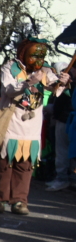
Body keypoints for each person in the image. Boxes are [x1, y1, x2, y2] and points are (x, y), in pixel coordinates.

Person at [0, 38, 68, 214]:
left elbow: (53, 89)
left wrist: (62, 81)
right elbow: (8, 90)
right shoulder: (10, 67)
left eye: (42, 56)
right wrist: (29, 82)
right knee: (5, 162)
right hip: (11, 121)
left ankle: (19, 200)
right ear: (23, 54)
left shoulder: (46, 69)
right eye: (35, 56)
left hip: (32, 125)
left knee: (25, 165)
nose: (39, 61)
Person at [46, 61, 74, 192]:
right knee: (62, 151)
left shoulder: (72, 83)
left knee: (65, 151)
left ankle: (65, 179)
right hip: (64, 119)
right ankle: (62, 178)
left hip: (67, 119)